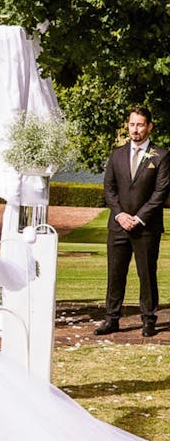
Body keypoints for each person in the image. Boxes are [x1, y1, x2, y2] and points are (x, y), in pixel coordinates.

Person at [95, 106, 170, 337]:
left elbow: (161, 192)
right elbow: (109, 188)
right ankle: (112, 319)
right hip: (118, 225)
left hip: (146, 227)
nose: (135, 129)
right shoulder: (116, 154)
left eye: (139, 125)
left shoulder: (161, 156)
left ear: (149, 126)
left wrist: (138, 218)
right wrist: (119, 214)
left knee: (146, 274)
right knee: (115, 274)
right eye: (131, 124)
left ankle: (149, 320)